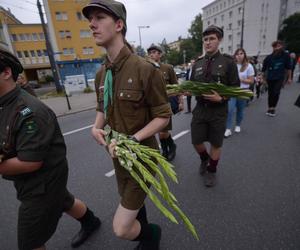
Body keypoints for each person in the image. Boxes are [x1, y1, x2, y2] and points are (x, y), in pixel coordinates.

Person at [82, 1, 172, 249]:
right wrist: (95, 127)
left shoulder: (145, 69)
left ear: (119, 25)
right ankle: (146, 240)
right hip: (117, 154)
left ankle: (151, 234)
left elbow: (163, 116)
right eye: (91, 19)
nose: (92, 24)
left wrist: (134, 140)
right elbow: (103, 107)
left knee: (121, 228)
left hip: (141, 155)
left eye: (99, 17)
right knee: (135, 205)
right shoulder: (102, 74)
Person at [0, 49, 101, 250]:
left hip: (42, 183)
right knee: (64, 200)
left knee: (30, 242)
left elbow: (30, 162)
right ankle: (91, 221)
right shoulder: (6, 103)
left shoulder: (29, 111)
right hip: (43, 180)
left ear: (6, 73)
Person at [190, 25, 240, 187]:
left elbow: (235, 88)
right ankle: (205, 159)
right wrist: (186, 91)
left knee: (216, 143)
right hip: (200, 109)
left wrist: (222, 98)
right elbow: (191, 85)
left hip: (218, 110)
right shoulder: (197, 63)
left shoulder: (228, 62)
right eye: (205, 39)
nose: (208, 42)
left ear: (219, 40)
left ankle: (212, 170)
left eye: (212, 39)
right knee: (196, 141)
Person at [147, 44, 183, 161]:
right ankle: (169, 148)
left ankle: (169, 149)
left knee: (163, 131)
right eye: (150, 53)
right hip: (153, 104)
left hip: (165, 104)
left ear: (160, 54)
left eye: (154, 52)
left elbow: (176, 86)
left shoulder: (167, 68)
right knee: (159, 130)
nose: (152, 54)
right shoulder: (146, 69)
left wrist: (181, 102)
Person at [224, 48, 254, 137]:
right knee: (230, 110)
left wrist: (241, 80)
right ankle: (228, 129)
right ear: (235, 56)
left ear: (244, 55)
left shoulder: (249, 66)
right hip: (232, 90)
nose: (239, 55)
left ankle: (238, 125)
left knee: (240, 110)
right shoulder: (232, 65)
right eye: (237, 54)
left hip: (243, 91)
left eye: (241, 53)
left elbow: (251, 81)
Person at [262, 40, 292, 117]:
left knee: (276, 92)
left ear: (282, 47)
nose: (277, 48)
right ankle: (269, 108)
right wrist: (263, 79)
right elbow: (264, 69)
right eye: (275, 46)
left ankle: (273, 108)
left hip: (280, 78)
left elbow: (289, 68)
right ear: (273, 47)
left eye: (279, 46)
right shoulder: (269, 57)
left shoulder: (286, 56)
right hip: (270, 78)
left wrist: (289, 78)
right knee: (270, 93)